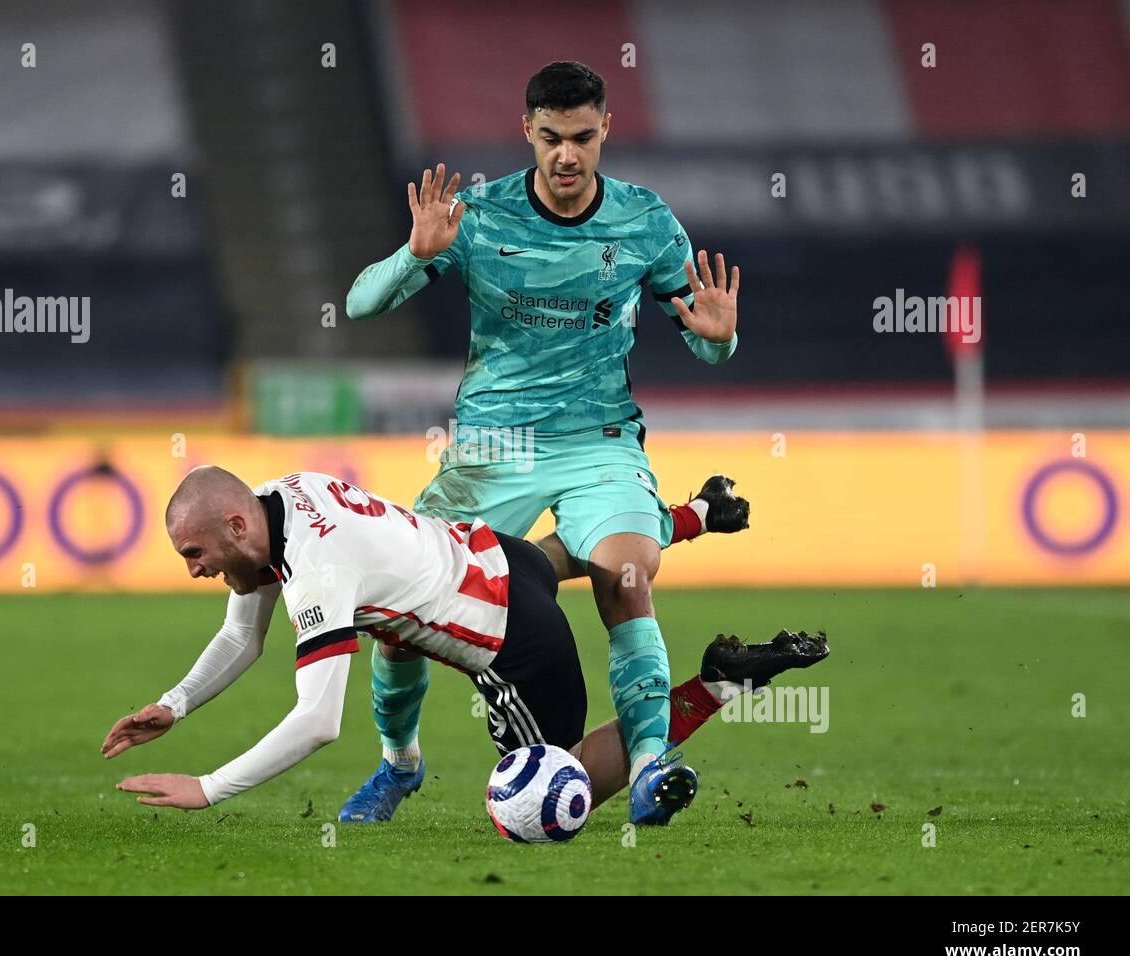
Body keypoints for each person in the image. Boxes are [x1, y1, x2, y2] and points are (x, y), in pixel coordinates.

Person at [343, 60, 745, 823]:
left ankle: (654, 762)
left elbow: (703, 339)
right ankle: (399, 764)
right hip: (495, 446)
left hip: (601, 437)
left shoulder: (647, 223)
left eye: (583, 137)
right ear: (528, 131)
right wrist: (417, 254)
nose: (568, 155)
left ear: (606, 133)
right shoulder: (480, 215)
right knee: (394, 615)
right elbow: (361, 303)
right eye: (553, 137)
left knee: (627, 576)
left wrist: (720, 342)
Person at [103, 467, 827, 816]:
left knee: (552, 791)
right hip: (501, 556)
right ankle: (696, 513)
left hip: (515, 647)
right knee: (403, 634)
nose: (194, 571)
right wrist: (177, 703)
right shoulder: (276, 500)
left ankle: (720, 682)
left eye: (193, 554)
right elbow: (242, 633)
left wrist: (207, 787)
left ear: (234, 528)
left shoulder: (319, 570)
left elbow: (319, 721)